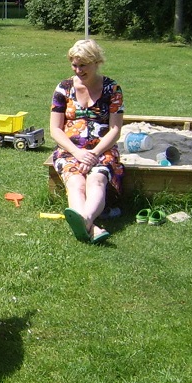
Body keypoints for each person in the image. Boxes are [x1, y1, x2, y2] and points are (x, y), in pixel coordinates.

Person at [50, 39, 124, 244]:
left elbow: (115, 129)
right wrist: (77, 152)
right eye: (74, 64)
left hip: (102, 149)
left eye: (83, 65)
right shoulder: (64, 88)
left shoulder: (112, 89)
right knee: (75, 182)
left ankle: (85, 221)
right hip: (70, 149)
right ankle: (92, 227)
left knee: (96, 179)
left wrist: (94, 154)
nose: (78, 70)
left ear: (96, 62)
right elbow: (55, 129)